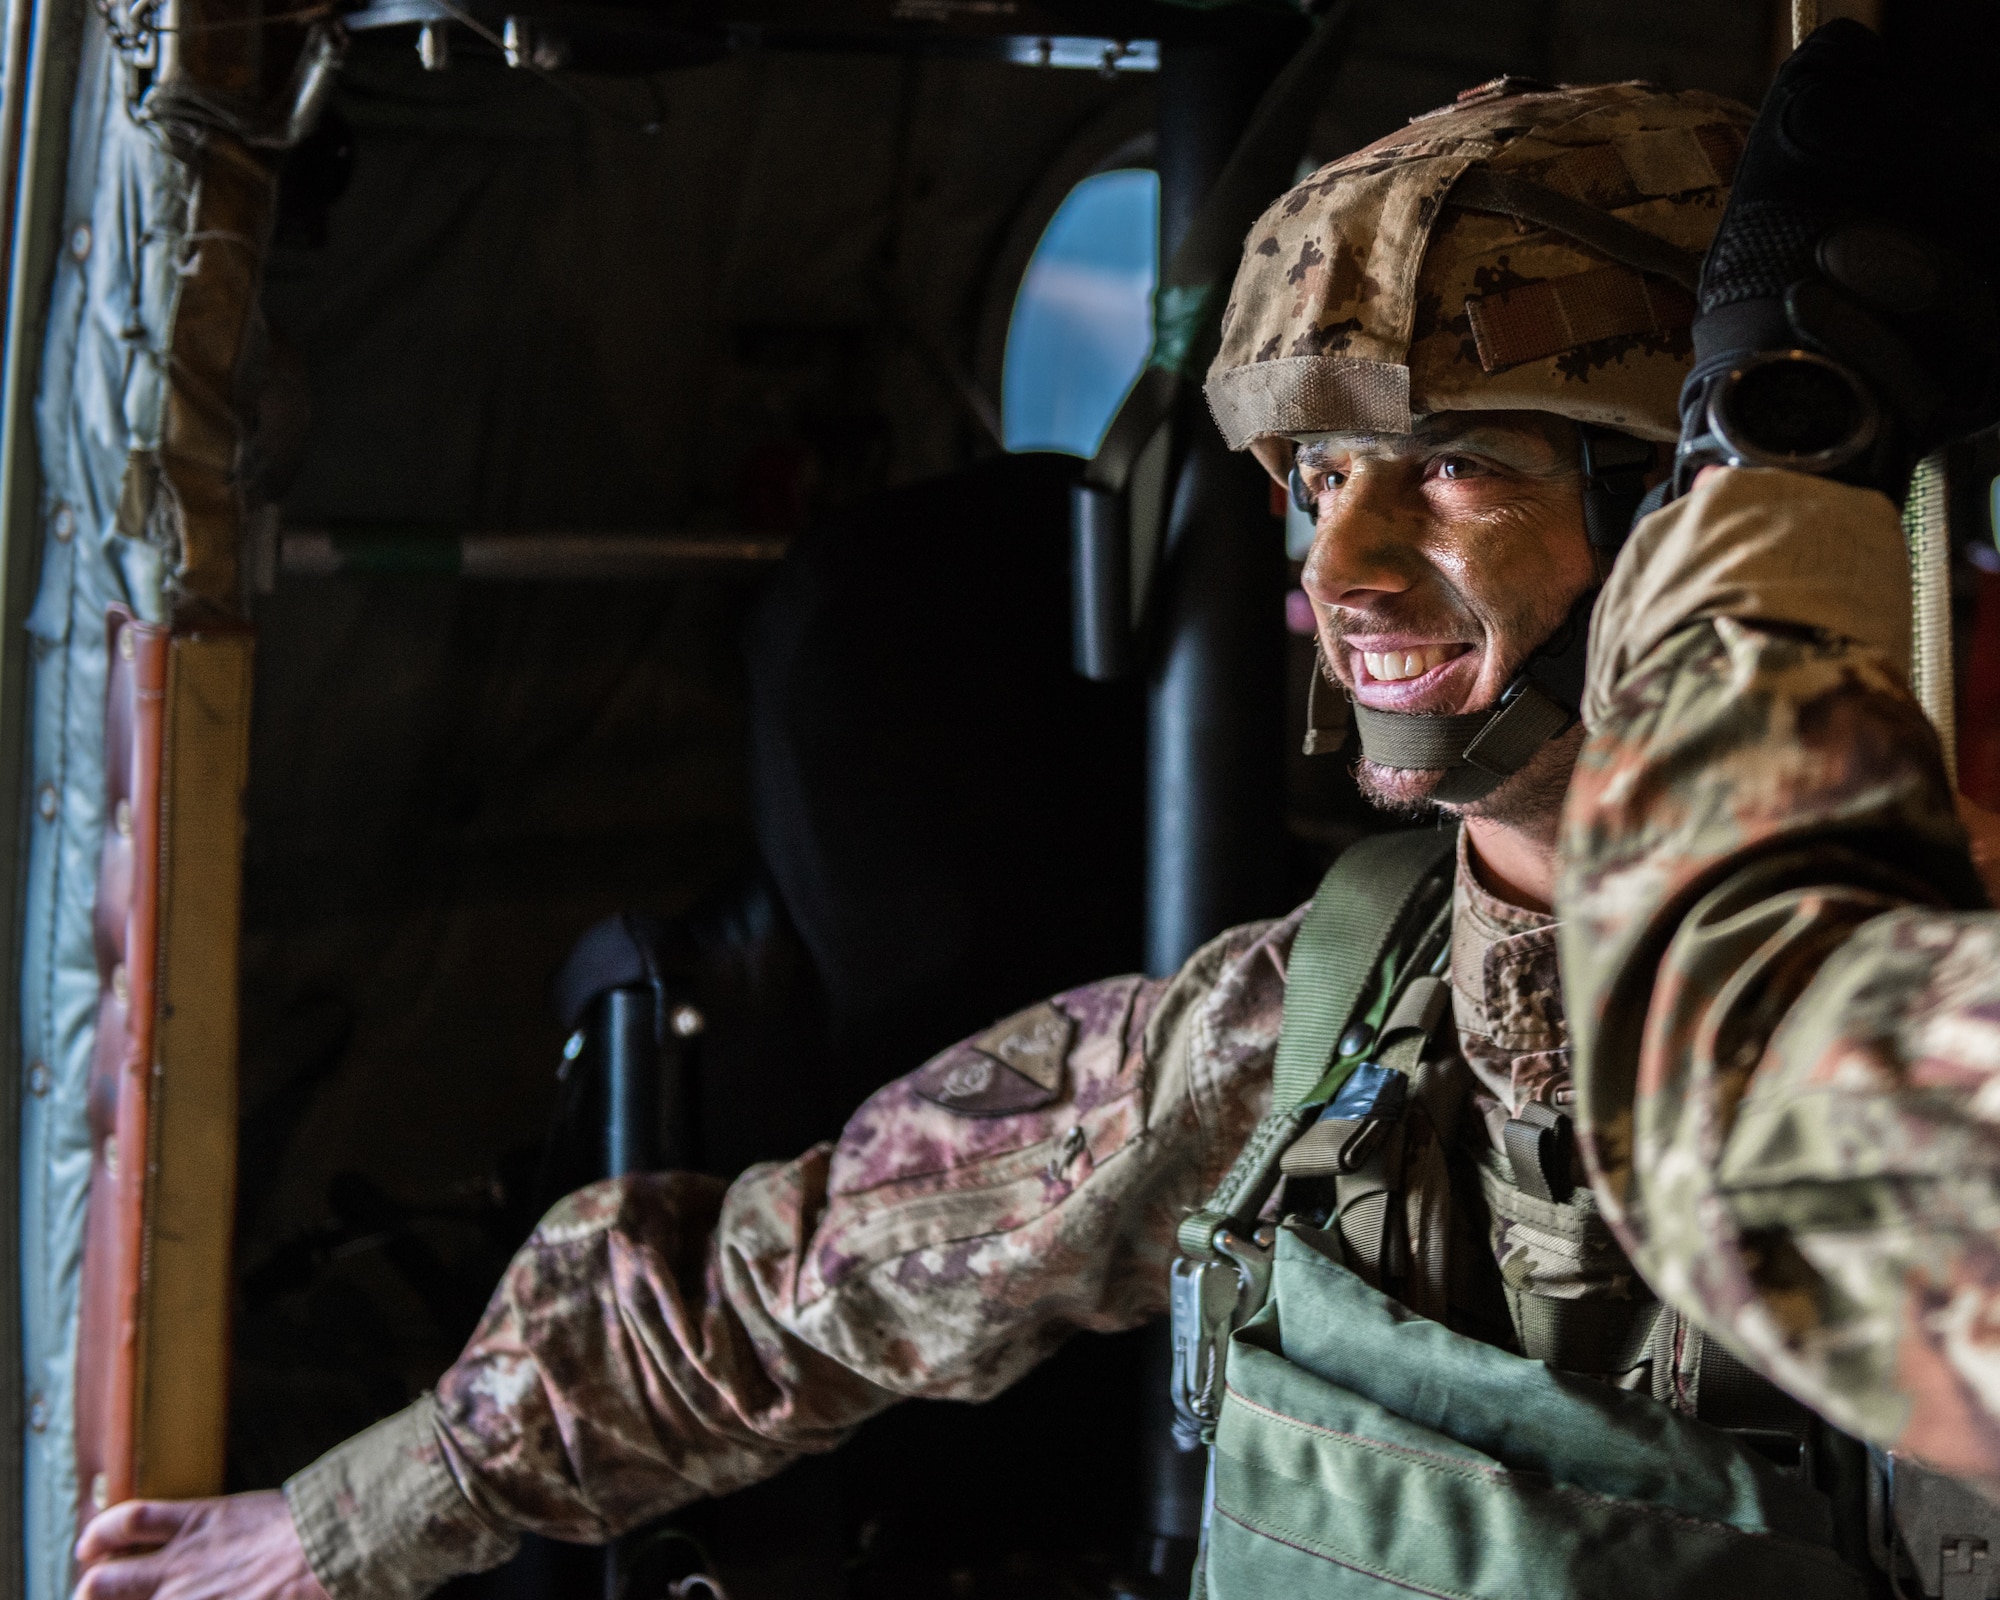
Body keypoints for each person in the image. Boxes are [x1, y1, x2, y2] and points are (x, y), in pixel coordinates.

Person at [68, 32, 2000, 1600]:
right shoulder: (1313, 1021)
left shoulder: (1927, 1006)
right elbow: (812, 1274)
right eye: (1314, 476)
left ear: (1694, 505)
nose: (1343, 560)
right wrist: (348, 1523)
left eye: (1453, 467)